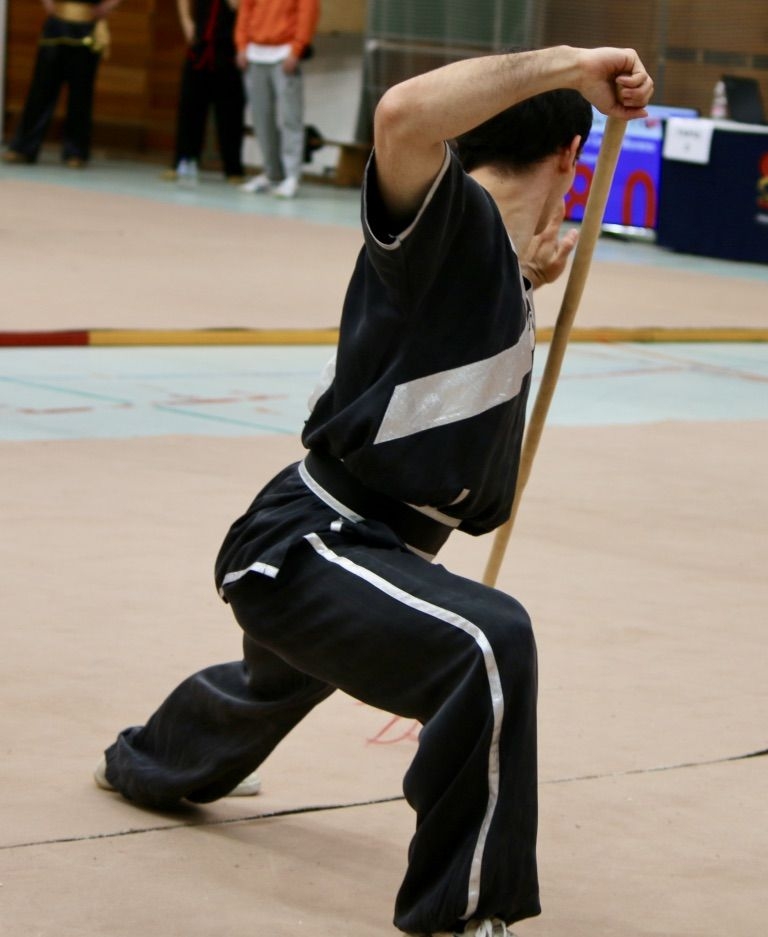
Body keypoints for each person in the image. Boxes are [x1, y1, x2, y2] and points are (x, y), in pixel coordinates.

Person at [95, 44, 654, 937]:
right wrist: (569, 65)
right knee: (488, 642)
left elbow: (446, 351)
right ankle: (461, 913)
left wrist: (524, 278)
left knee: (276, 680)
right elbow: (398, 116)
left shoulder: (490, 255)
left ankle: (148, 761)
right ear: (570, 157)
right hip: (313, 541)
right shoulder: (448, 220)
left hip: (354, 547)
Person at [3, 0, 123, 167]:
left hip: (86, 28)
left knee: (80, 93)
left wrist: (108, 5)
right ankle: (24, 147)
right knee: (40, 91)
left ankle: (76, 151)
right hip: (56, 27)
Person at [235, 0, 319, 198]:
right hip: (255, 54)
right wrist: (241, 46)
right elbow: (245, 11)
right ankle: (271, 172)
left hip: (284, 54)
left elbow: (307, 14)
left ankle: (292, 176)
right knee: (260, 118)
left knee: (291, 117)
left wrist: (297, 49)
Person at [167, 0, 246, 185]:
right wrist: (186, 21)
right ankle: (183, 162)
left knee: (230, 112)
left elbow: (239, 6)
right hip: (200, 45)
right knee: (189, 107)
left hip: (229, 48)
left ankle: (233, 169)